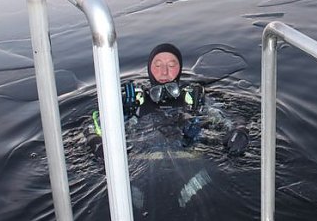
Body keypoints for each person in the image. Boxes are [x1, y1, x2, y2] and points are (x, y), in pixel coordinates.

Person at [85, 43, 248, 158]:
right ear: (149, 69)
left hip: (189, 160)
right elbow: (92, 125)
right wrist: (96, 141)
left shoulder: (192, 98)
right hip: (141, 163)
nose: (164, 72)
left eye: (171, 65)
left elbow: (231, 117)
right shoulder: (133, 101)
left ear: (180, 69)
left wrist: (240, 131)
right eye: (157, 65)